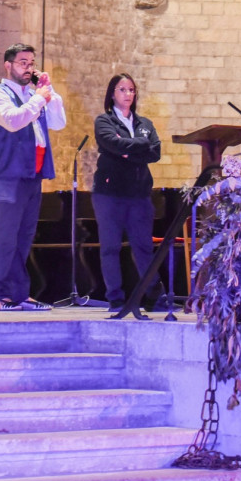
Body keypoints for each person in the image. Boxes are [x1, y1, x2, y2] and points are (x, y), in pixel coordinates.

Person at [0, 43, 66, 311]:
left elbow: (58, 123)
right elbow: (13, 120)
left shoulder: (33, 94)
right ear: (8, 65)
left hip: (32, 172)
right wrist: (39, 99)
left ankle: (20, 294)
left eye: (31, 63)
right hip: (9, 174)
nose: (28, 68)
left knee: (24, 236)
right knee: (6, 235)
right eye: (23, 63)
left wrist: (49, 92)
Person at [93, 73, 163, 312]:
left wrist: (127, 150)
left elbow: (155, 152)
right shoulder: (104, 121)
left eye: (131, 90)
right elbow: (112, 143)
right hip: (109, 194)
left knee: (143, 247)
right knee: (110, 247)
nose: (128, 94)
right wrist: (140, 147)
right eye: (122, 90)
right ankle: (115, 298)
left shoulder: (145, 124)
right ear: (112, 93)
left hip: (139, 194)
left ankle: (154, 296)